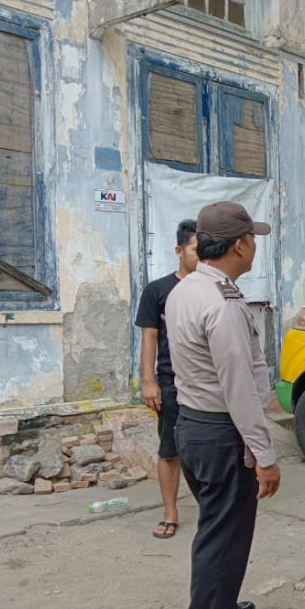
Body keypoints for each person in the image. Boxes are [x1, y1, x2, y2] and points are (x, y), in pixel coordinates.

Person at [166, 201, 280, 609]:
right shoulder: (223, 303)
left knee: (223, 527)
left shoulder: (186, 289)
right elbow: (239, 388)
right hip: (220, 431)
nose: (254, 246)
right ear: (238, 244)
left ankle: (221, 603)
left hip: (193, 425)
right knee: (223, 533)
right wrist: (266, 454)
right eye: (252, 238)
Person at [135, 219, 199, 539]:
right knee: (170, 449)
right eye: (195, 250)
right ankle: (170, 512)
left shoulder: (212, 289)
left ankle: (212, 508)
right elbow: (149, 337)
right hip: (171, 382)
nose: (201, 258)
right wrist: (149, 381)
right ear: (179, 250)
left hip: (205, 384)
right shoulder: (158, 290)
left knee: (206, 448)